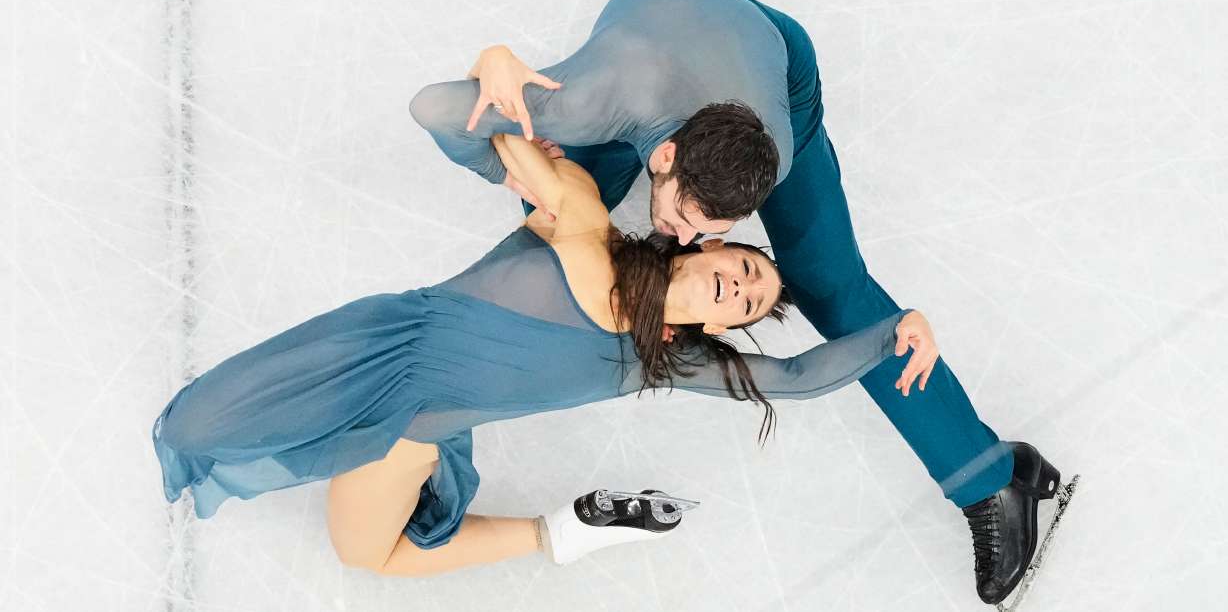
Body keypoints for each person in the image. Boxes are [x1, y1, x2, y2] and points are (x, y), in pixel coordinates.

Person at [407, 0, 1063, 604]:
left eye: (708, 231)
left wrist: (895, 331)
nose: (686, 240)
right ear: (661, 157)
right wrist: (505, 139)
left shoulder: (771, 147)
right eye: (685, 220)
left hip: (771, 57)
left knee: (830, 288)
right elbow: (439, 109)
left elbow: (798, 357)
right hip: (645, 44)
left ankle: (992, 478)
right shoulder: (588, 100)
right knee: (552, 250)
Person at [152, 131, 939, 577]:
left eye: (754, 302)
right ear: (707, 249)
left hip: (410, 437)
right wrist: (513, 126)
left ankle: (561, 531)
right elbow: (474, 132)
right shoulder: (586, 229)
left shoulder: (662, 360)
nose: (743, 288)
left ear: (727, 328)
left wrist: (895, 327)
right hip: (376, 347)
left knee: (370, 557)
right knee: (189, 431)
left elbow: (798, 378)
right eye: (745, 269)